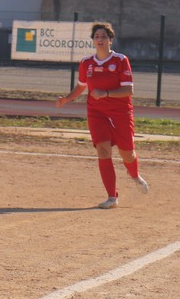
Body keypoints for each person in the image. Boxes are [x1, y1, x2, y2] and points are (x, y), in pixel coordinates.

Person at [55, 21, 149, 209]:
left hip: (120, 111)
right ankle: (111, 197)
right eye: (97, 37)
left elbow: (128, 90)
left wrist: (106, 94)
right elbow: (81, 86)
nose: (100, 40)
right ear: (93, 41)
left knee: (127, 153)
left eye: (103, 36)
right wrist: (66, 99)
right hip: (97, 112)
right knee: (103, 150)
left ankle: (134, 175)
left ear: (110, 40)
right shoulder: (86, 63)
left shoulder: (121, 60)